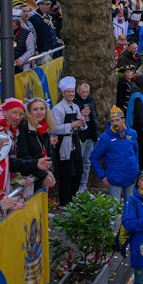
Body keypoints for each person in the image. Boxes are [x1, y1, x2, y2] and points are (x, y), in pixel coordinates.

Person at [90, 107, 140, 203]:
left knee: (131, 207)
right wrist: (102, 176)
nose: (115, 123)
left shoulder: (132, 134)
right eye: (112, 121)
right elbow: (94, 158)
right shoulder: (105, 138)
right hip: (114, 179)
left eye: (117, 120)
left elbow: (135, 151)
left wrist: (136, 167)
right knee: (114, 210)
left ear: (123, 120)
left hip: (131, 177)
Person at [51, 76, 88, 204]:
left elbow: (81, 125)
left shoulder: (76, 107)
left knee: (77, 169)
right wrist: (73, 125)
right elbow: (55, 128)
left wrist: (82, 121)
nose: (71, 94)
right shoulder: (57, 109)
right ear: (63, 93)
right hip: (64, 143)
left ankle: (73, 196)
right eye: (68, 92)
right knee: (66, 172)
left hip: (75, 141)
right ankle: (65, 201)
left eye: (72, 91)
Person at [74, 80, 100, 193]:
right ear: (78, 91)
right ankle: (77, 185)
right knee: (79, 161)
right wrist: (80, 114)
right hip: (80, 136)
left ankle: (84, 184)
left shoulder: (90, 99)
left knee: (87, 161)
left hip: (90, 133)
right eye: (83, 92)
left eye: (87, 92)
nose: (85, 94)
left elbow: (95, 115)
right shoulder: (74, 102)